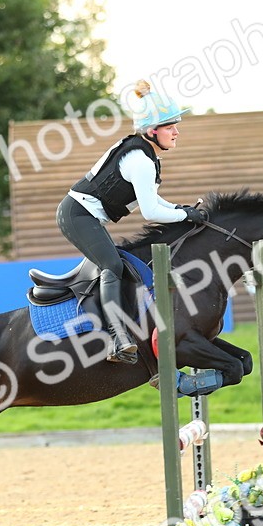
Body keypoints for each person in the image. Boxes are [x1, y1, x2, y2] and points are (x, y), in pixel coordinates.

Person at [57, 79, 203, 364]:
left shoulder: (144, 154)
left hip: (82, 214)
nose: (176, 131)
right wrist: (186, 214)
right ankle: (117, 338)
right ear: (152, 131)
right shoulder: (140, 160)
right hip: (76, 215)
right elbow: (150, 212)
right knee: (111, 265)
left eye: (175, 124)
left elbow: (155, 201)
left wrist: (180, 209)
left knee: (117, 265)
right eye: (170, 125)